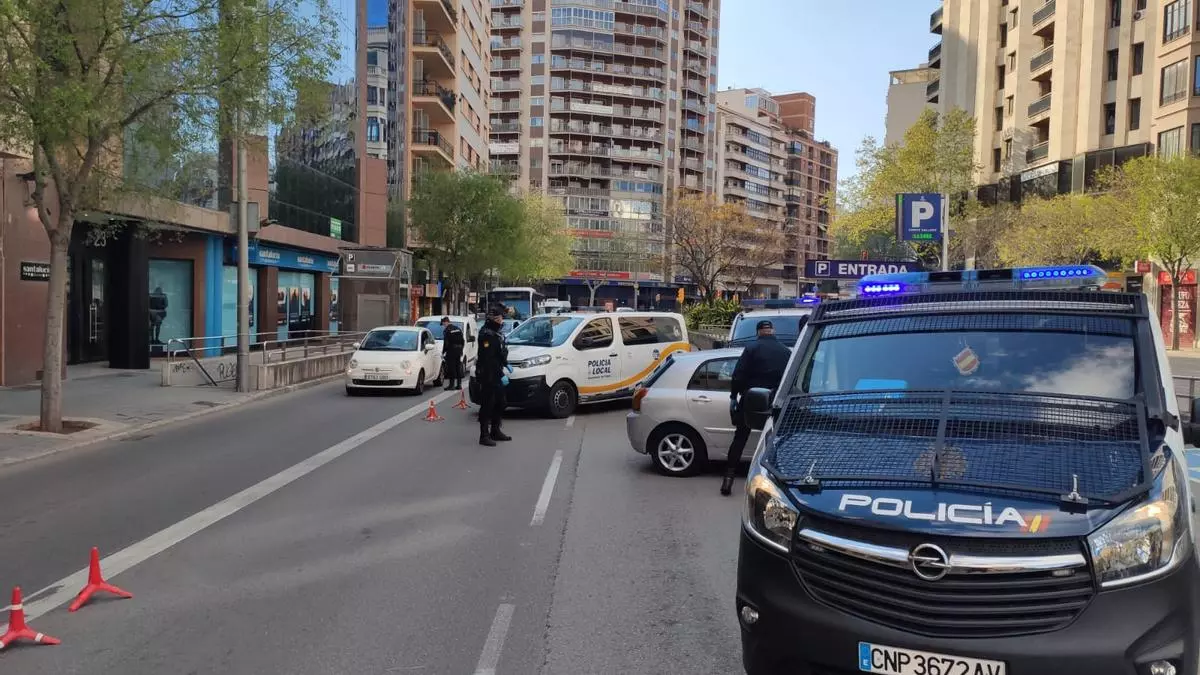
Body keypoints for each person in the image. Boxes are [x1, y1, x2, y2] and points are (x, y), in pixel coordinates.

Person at [723, 319, 791, 496]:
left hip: (751, 399)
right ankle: (775, 484)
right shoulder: (785, 351)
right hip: (774, 401)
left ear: (758, 332)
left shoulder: (751, 348)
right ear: (772, 331)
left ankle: (728, 480)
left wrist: (733, 396)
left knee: (740, 438)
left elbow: (738, 375)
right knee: (774, 440)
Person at [475, 305, 512, 447]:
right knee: (487, 405)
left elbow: (499, 354)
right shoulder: (487, 335)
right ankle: (484, 435)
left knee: (501, 402)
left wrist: (506, 363)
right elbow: (489, 359)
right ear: (495, 319)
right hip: (488, 375)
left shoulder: (496, 333)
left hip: (496, 373)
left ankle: (495, 430)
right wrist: (500, 374)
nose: (502, 321)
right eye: (501, 318)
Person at [441, 316, 466, 391]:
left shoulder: (447, 330)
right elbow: (462, 341)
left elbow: (446, 343)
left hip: (451, 351)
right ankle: (459, 385)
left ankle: (451, 385)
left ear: (446, 322)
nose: (443, 325)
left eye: (443, 324)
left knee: (451, 368)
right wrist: (461, 350)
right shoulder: (458, 329)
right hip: (458, 350)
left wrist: (443, 352)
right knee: (458, 367)